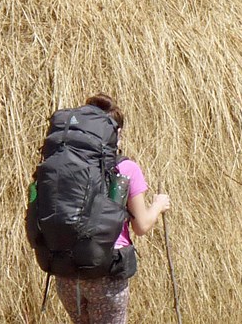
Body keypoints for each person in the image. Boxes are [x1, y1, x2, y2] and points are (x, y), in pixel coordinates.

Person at [56, 94, 173, 324]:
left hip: (67, 271)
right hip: (106, 271)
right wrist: (158, 205)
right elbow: (141, 225)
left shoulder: (64, 164)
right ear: (115, 133)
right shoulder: (126, 168)